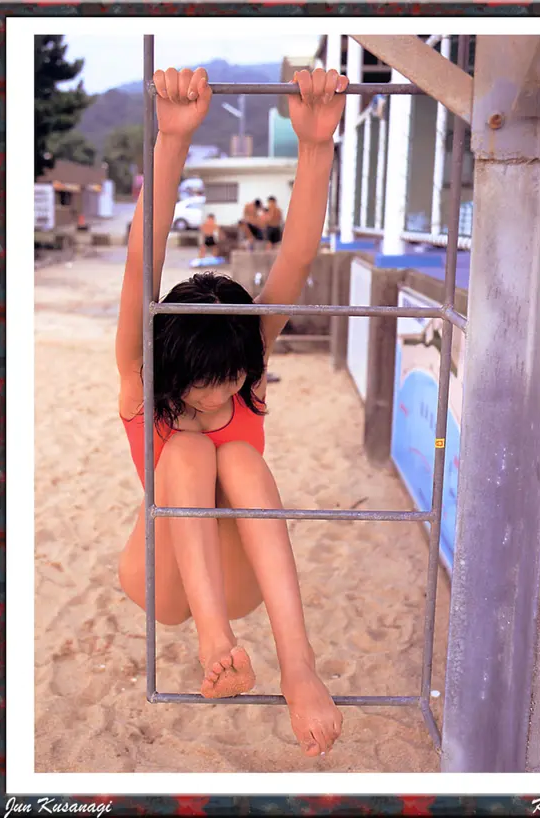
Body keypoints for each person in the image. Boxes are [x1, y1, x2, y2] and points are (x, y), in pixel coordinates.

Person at [116, 66, 348, 758]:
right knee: (189, 450)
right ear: (172, 369)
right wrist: (172, 140)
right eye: (202, 386)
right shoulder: (140, 376)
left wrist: (316, 147)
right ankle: (214, 642)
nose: (220, 397)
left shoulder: (247, 362)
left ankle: (297, 665)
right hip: (162, 576)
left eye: (233, 379)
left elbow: (295, 259)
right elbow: (140, 263)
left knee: (239, 457)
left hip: (236, 574)